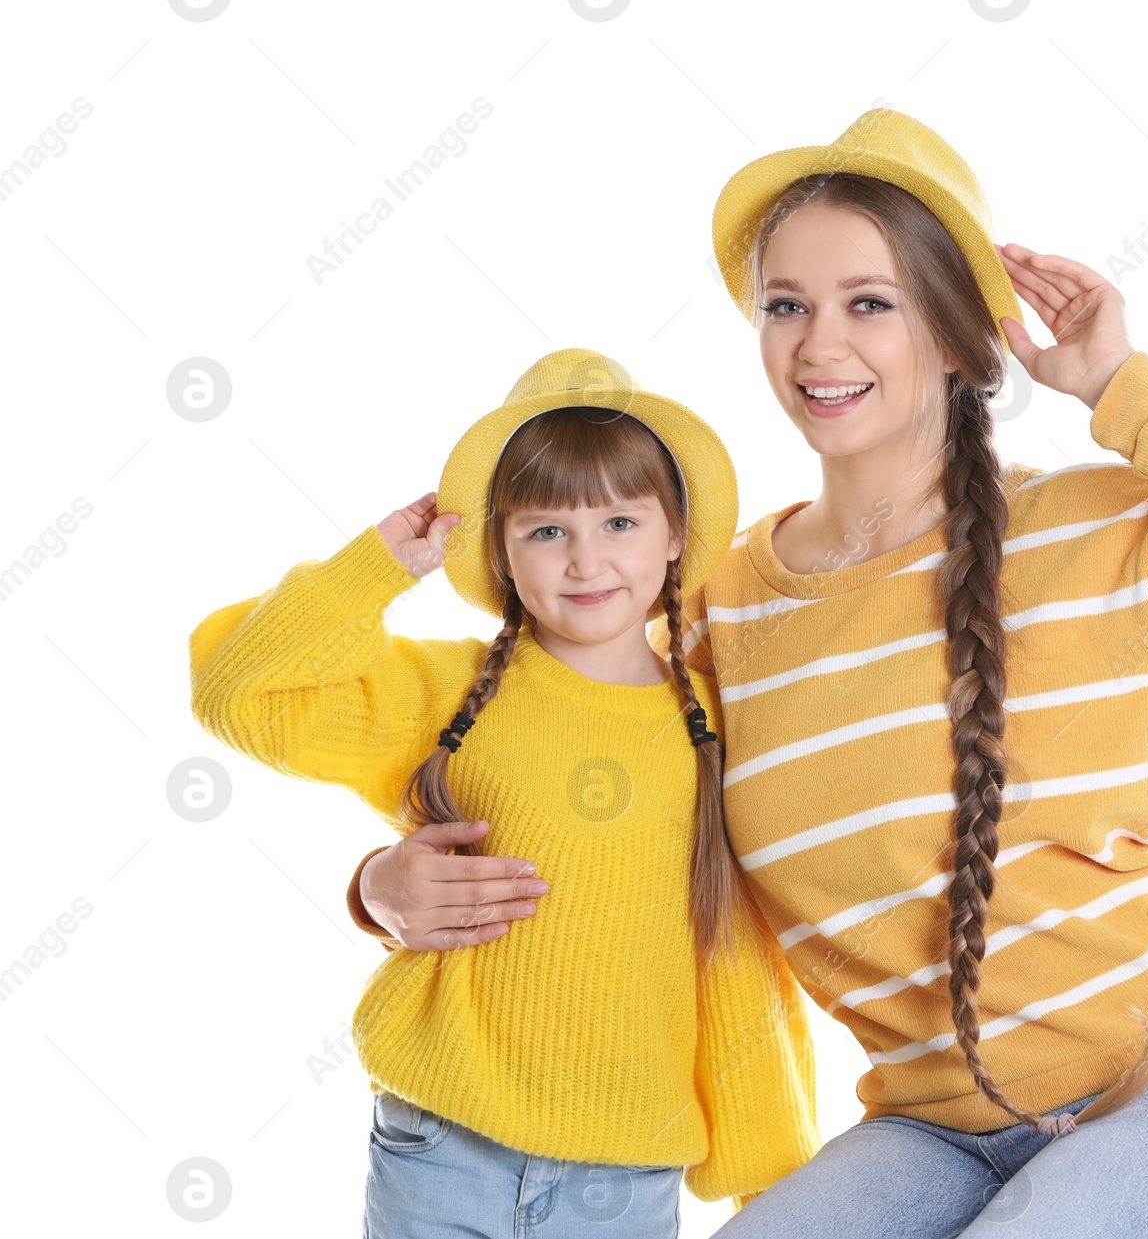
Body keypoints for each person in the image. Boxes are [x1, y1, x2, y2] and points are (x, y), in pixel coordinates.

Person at [346, 111, 1148, 1237]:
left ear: (953, 331)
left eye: (869, 303)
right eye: (786, 305)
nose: (816, 345)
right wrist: (379, 887)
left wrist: (1120, 384)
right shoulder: (717, 608)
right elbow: (573, 777)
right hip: (932, 1130)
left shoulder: (1078, 533)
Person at [188, 348, 819, 1238]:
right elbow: (236, 693)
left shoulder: (715, 729)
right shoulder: (451, 692)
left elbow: (737, 962)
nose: (585, 560)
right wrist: (374, 570)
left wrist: (772, 1180)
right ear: (503, 550)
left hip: (625, 1178)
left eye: (621, 522)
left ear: (676, 532)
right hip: (441, 1148)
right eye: (546, 530)